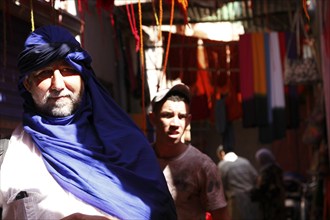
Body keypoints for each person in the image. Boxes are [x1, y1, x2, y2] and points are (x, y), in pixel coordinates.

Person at [0, 25, 177, 220]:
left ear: (84, 77)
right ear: (28, 84)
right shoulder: (9, 157)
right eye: (45, 73)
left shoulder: (131, 146)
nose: (58, 85)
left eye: (68, 70)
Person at [148, 83, 230, 220]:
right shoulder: (140, 160)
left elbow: (220, 216)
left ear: (188, 121)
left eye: (181, 116)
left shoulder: (203, 166)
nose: (175, 123)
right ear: (152, 119)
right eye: (167, 115)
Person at [216, 145, 261, 220]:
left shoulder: (222, 165)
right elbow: (257, 179)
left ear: (221, 154)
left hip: (236, 200)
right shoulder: (245, 161)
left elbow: (220, 187)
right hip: (251, 197)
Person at [251, 148, 286, 220]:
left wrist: (253, 191)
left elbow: (263, 187)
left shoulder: (267, 171)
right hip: (279, 201)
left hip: (270, 203)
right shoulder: (277, 168)